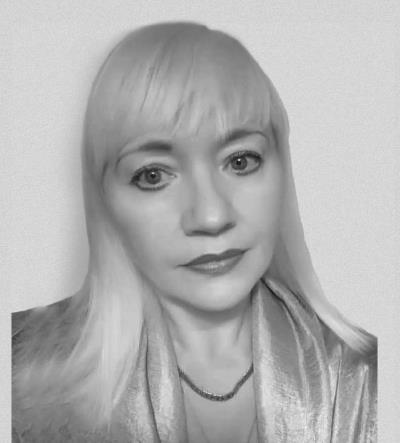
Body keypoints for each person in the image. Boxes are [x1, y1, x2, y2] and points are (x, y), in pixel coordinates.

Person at [12, 22, 377, 443]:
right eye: (153, 175)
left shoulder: (368, 381)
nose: (211, 216)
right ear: (104, 199)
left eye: (240, 161)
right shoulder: (17, 375)